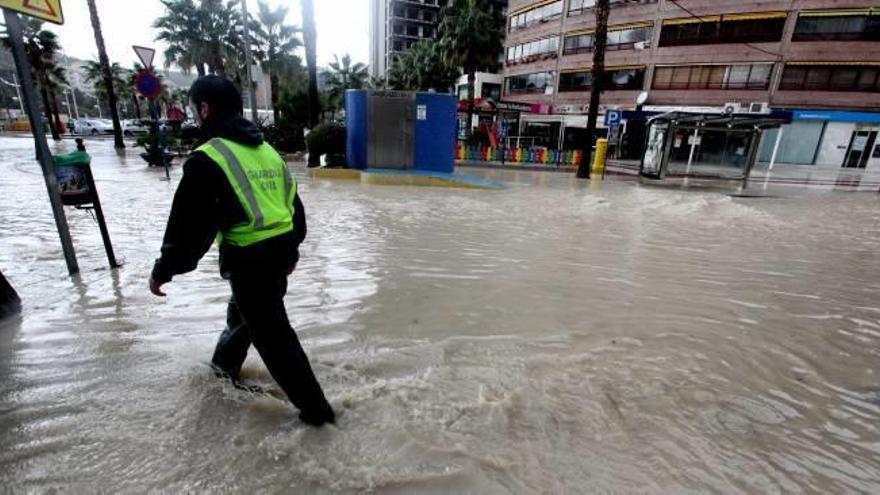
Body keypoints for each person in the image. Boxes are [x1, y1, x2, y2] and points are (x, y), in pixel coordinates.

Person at [149, 76, 335, 427]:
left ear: (204, 109)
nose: (195, 116)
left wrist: (164, 269)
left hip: (251, 259)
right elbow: (294, 207)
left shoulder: (209, 158)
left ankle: (319, 416)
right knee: (244, 316)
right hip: (280, 253)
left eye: (194, 110)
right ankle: (222, 374)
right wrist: (291, 253)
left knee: (274, 339)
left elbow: (189, 229)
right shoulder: (266, 151)